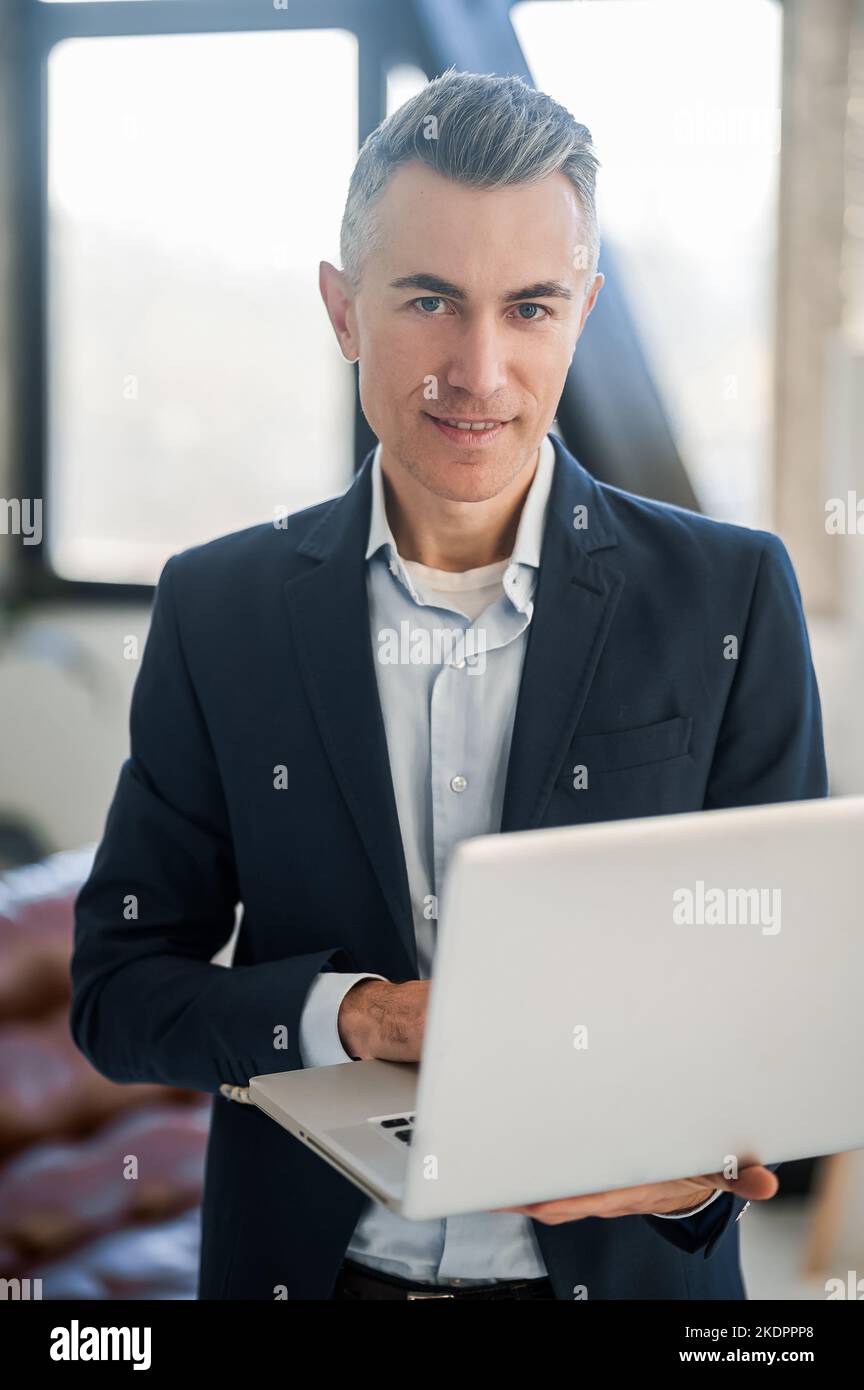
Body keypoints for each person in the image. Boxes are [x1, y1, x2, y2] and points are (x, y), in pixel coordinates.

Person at [71, 71, 826, 1301]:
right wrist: (350, 1015)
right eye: (429, 299)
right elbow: (117, 992)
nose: (477, 370)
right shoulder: (219, 609)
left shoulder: (729, 596)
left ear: (580, 313)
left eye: (529, 307)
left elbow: (790, 995)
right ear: (343, 308)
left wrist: (687, 1168)